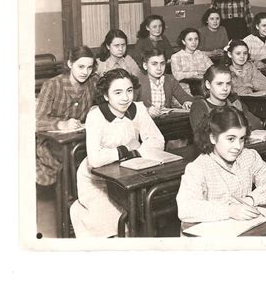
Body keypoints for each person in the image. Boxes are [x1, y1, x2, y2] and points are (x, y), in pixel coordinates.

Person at [70, 68, 165, 238]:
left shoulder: (138, 109)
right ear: (106, 96)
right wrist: (129, 150)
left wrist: (132, 153)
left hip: (130, 172)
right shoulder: (96, 116)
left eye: (129, 91)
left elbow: (158, 141)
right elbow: (96, 159)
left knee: (144, 214)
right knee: (113, 220)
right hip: (96, 179)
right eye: (118, 92)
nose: (125, 98)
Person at [176, 106, 266, 223]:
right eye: (231, 139)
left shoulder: (249, 156)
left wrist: (250, 200)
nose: (238, 146)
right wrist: (229, 211)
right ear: (212, 137)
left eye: (242, 139)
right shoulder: (198, 168)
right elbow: (186, 208)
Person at [36, 45, 98, 189]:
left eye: (89, 68)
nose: (85, 72)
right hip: (53, 144)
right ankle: (71, 199)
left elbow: (102, 103)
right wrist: (61, 124)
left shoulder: (92, 84)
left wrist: (96, 109)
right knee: (74, 160)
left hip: (79, 141)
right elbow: (37, 121)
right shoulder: (52, 85)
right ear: (70, 64)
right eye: (81, 66)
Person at [189, 65, 261, 136]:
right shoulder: (199, 106)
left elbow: (256, 124)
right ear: (208, 84)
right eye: (219, 84)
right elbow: (202, 136)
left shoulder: (234, 102)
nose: (225, 88)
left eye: (228, 84)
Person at [136, 49, 193, 118]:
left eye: (162, 63)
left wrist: (187, 102)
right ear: (145, 66)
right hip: (144, 120)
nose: (159, 68)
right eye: (154, 64)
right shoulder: (138, 81)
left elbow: (183, 96)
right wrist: (146, 110)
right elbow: (129, 106)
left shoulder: (170, 79)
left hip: (165, 121)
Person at [171, 28, 214, 94]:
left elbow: (212, 70)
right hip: (185, 90)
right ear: (183, 41)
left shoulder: (201, 54)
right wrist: (196, 74)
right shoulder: (176, 57)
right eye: (190, 39)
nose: (194, 42)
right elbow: (177, 75)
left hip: (203, 87)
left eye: (196, 39)